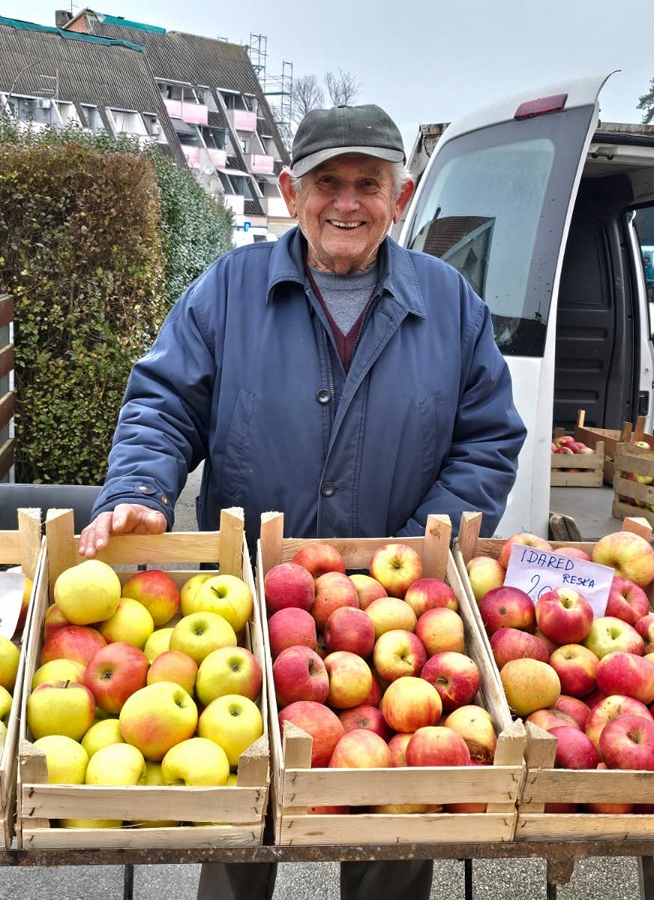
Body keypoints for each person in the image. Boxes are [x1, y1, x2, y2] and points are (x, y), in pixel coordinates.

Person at [78, 103, 526, 900]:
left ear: (403, 194)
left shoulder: (451, 303)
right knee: (243, 808)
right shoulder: (230, 288)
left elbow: (489, 438)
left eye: (367, 183)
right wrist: (141, 488)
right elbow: (162, 403)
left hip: (392, 608)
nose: (346, 202)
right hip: (251, 601)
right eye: (327, 182)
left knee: (392, 812)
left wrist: (418, 558)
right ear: (290, 191)